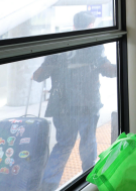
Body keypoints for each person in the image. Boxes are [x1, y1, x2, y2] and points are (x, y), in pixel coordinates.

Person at [34, 11, 116, 191]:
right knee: (88, 142)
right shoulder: (93, 44)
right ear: (90, 25)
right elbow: (106, 69)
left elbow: (39, 75)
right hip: (87, 104)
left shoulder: (60, 44)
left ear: (73, 25)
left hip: (61, 105)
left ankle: (48, 185)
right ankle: (90, 180)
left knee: (63, 144)